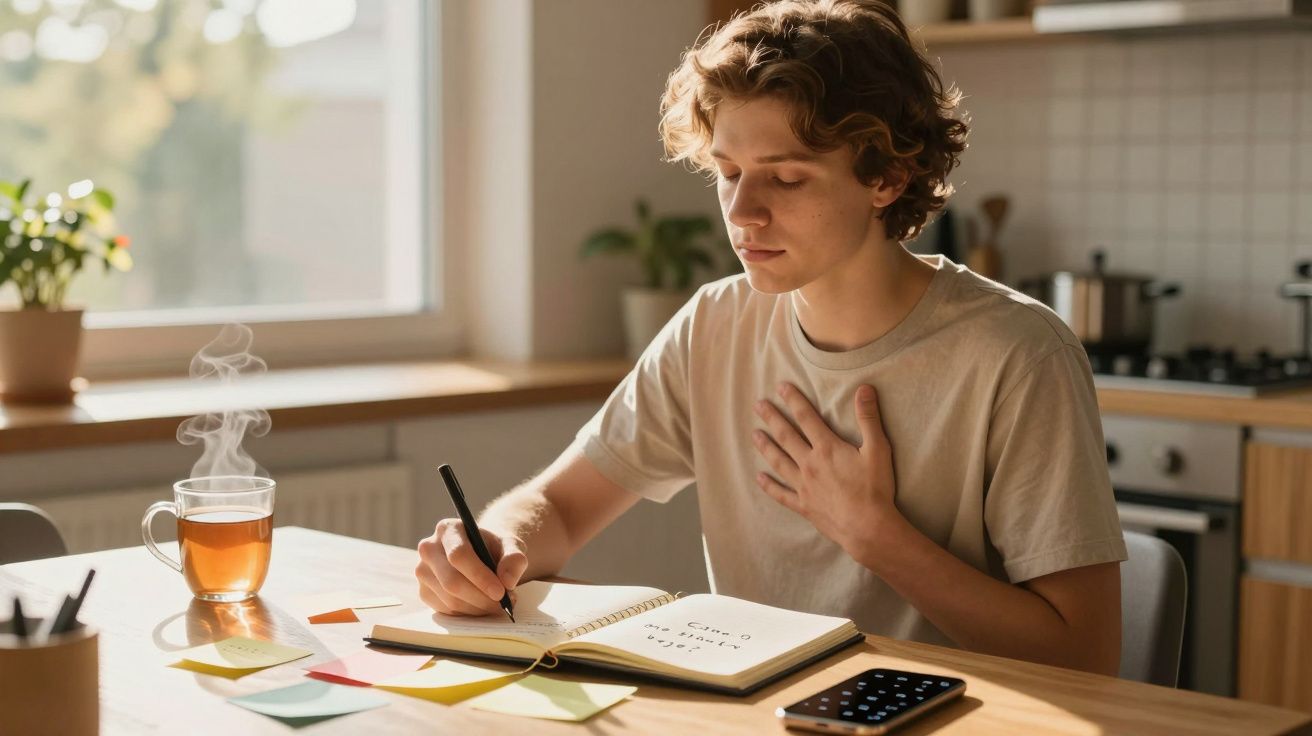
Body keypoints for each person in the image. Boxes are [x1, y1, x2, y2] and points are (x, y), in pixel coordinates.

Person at [416, 0, 1127, 676]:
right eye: (728, 173)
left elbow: (1084, 659)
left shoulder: (1020, 354)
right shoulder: (713, 326)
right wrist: (494, 544)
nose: (743, 213)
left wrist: (877, 537)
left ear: (887, 176)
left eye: (786, 178)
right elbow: (562, 508)